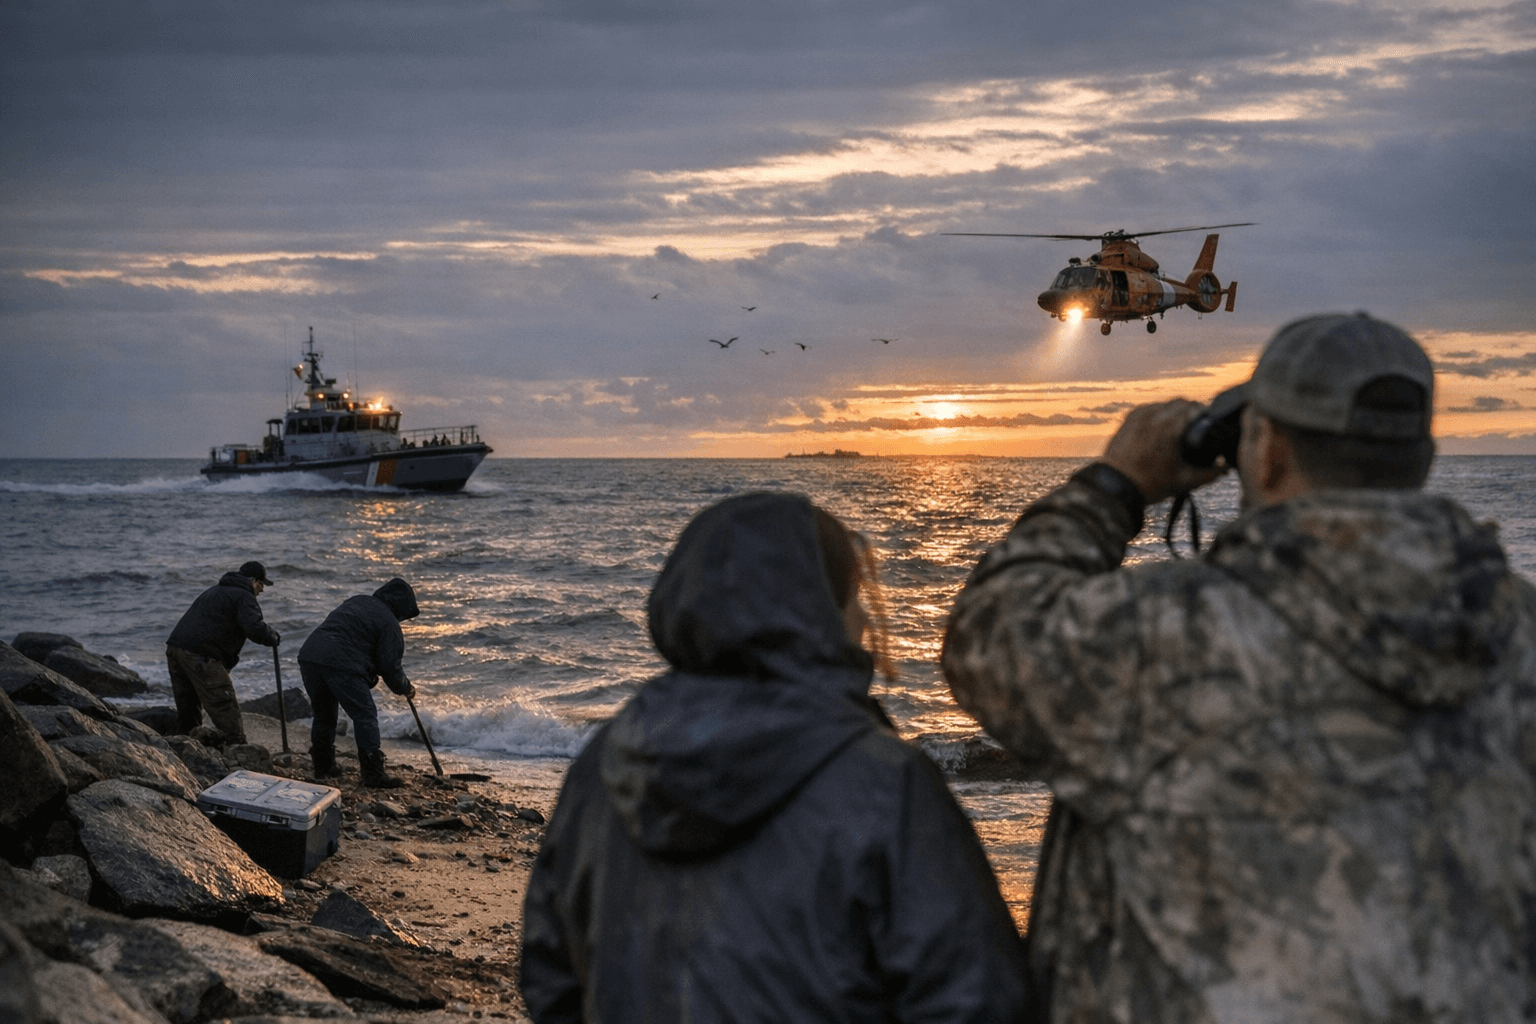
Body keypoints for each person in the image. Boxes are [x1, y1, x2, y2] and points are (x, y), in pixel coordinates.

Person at [942, 312, 1536, 1023]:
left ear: (1268, 450)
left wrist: (1114, 485)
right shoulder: (1520, 629)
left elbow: (991, 633)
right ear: (1424, 457)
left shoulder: (1170, 634)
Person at [520, 492, 1031, 1023]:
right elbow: (981, 999)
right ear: (816, 610)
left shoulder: (605, 762)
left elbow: (549, 976)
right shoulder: (885, 784)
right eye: (853, 594)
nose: (863, 614)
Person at [297, 577, 419, 788]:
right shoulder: (389, 623)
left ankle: (323, 767)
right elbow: (390, 668)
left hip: (310, 655)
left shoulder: (358, 601)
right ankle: (373, 774)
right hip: (342, 663)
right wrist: (406, 688)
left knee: (324, 715)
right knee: (365, 715)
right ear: (400, 607)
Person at [165, 560, 280, 745]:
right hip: (201, 655)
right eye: (261, 583)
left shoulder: (214, 591)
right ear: (252, 580)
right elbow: (253, 627)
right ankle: (237, 752)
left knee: (188, 708)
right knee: (224, 705)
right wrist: (272, 636)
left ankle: (186, 748)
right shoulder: (243, 595)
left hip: (175, 650)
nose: (262, 589)